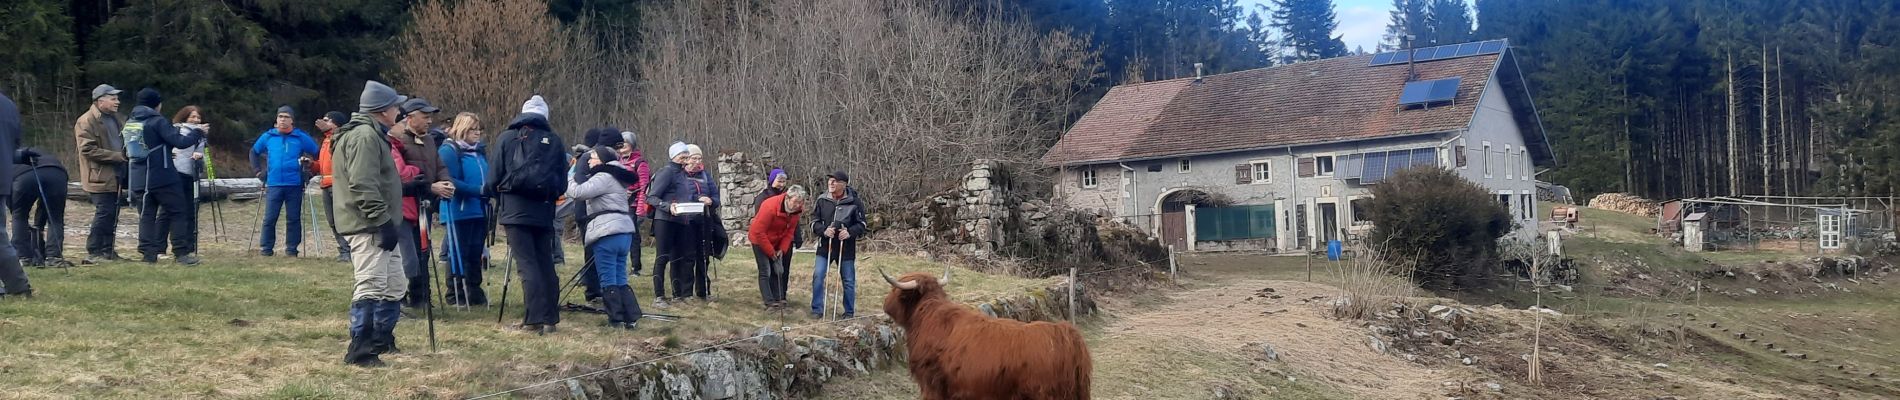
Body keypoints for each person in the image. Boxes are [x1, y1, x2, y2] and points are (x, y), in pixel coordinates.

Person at [333, 80, 409, 367]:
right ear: (382, 110)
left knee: (394, 285)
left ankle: (381, 341)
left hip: (378, 221)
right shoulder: (365, 136)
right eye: (395, 106)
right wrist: (382, 221)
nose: (399, 111)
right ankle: (360, 351)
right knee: (371, 284)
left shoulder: (371, 134)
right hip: (368, 224)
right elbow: (363, 184)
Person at [484, 95, 567, 335]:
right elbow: (562, 183)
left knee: (527, 264)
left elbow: (494, 177)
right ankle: (550, 318)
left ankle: (533, 321)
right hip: (544, 210)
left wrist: (495, 194)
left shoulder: (507, 137)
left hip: (515, 209)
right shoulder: (554, 140)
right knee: (545, 262)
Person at [566, 145, 644, 329]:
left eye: (592, 157)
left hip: (607, 230)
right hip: (623, 230)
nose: (590, 161)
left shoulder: (604, 176)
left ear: (602, 160)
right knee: (620, 276)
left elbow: (578, 193)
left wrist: (570, 176)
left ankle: (615, 319)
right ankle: (630, 317)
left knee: (608, 277)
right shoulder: (618, 176)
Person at [126, 88, 205, 265]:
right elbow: (180, 142)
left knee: (147, 215)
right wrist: (197, 132)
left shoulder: (130, 121)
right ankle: (181, 253)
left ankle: (148, 254)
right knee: (178, 211)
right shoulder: (157, 121)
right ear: (157, 104)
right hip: (162, 174)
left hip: (139, 176)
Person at [393, 98, 451, 309]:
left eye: (430, 117)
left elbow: (439, 164)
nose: (429, 121)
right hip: (406, 204)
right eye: (425, 117)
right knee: (406, 254)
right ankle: (400, 297)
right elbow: (406, 174)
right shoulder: (399, 140)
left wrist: (446, 182)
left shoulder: (428, 141)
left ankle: (421, 297)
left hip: (424, 205)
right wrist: (430, 186)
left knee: (423, 251)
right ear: (410, 118)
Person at [647, 142, 718, 306]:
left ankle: (678, 295)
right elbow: (652, 197)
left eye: (687, 156)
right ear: (674, 157)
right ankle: (659, 296)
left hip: (682, 220)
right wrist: (667, 207)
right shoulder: (666, 172)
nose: (685, 160)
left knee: (677, 258)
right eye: (682, 157)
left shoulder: (684, 175)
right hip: (664, 220)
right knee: (662, 258)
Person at [249, 105, 320, 257]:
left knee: (293, 218)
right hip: (273, 183)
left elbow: (318, 153)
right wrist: (257, 171)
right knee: (269, 218)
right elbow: (254, 152)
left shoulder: (300, 137)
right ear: (276, 119)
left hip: (294, 183)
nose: (282, 120)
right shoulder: (268, 136)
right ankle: (266, 249)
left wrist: (311, 171)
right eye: (280, 117)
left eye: (286, 117)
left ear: (292, 120)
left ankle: (292, 249)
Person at [438, 112, 489, 306]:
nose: (477, 133)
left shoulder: (479, 151)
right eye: (473, 129)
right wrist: (478, 190)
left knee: (476, 251)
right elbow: (450, 180)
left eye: (478, 129)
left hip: (480, 208)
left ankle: (474, 291)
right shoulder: (450, 151)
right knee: (458, 251)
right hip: (459, 209)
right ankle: (455, 293)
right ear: (462, 129)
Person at [75, 84, 128, 265]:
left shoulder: (115, 119)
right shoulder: (86, 121)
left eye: (117, 98)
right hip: (98, 176)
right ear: (100, 100)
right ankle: (94, 251)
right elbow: (87, 149)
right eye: (113, 98)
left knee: (112, 213)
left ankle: (108, 250)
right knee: (104, 213)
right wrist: (117, 157)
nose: (117, 102)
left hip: (116, 174)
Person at [809, 170, 865, 319]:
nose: (831, 183)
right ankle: (817, 310)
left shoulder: (855, 202)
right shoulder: (822, 199)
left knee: (848, 280)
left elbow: (862, 224)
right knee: (818, 275)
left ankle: (848, 312)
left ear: (844, 184)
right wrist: (823, 230)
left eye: (835, 181)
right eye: (830, 180)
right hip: (825, 246)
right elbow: (813, 222)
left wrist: (850, 232)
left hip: (845, 248)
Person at [749, 184, 807, 310]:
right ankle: (769, 302)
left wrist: (782, 249)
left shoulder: (797, 211)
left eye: (800, 202)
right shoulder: (769, 207)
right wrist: (771, 252)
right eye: (795, 202)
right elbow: (759, 232)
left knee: (778, 270)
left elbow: (790, 232)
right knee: (766, 270)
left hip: (777, 239)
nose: (798, 205)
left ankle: (779, 298)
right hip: (759, 239)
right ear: (787, 198)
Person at [12, 147, 69, 268]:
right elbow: (44, 207)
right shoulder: (39, 152)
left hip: (24, 176)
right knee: (55, 218)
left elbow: (12, 205)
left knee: (19, 215)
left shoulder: (8, 158)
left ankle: (23, 256)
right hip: (57, 173)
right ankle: (54, 257)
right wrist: (38, 226)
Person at [1, 92, 34, 298]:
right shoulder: (7, 104)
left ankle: (18, 287)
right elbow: (11, 145)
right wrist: (21, 155)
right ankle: (17, 286)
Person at [171, 106, 209, 258]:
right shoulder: (176, 130)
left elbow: (203, 151)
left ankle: (189, 244)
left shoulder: (201, 134)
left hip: (192, 173)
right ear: (184, 117)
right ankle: (171, 245)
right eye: (192, 117)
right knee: (177, 211)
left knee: (192, 210)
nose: (196, 120)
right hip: (177, 173)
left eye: (198, 117)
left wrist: (200, 157)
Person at [316, 111, 352, 262]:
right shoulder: (325, 141)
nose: (322, 122)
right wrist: (311, 165)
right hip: (326, 185)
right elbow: (323, 166)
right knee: (332, 221)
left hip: (339, 185)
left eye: (327, 120)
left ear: (336, 124)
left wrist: (330, 132)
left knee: (343, 220)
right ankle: (344, 250)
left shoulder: (342, 139)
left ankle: (349, 251)